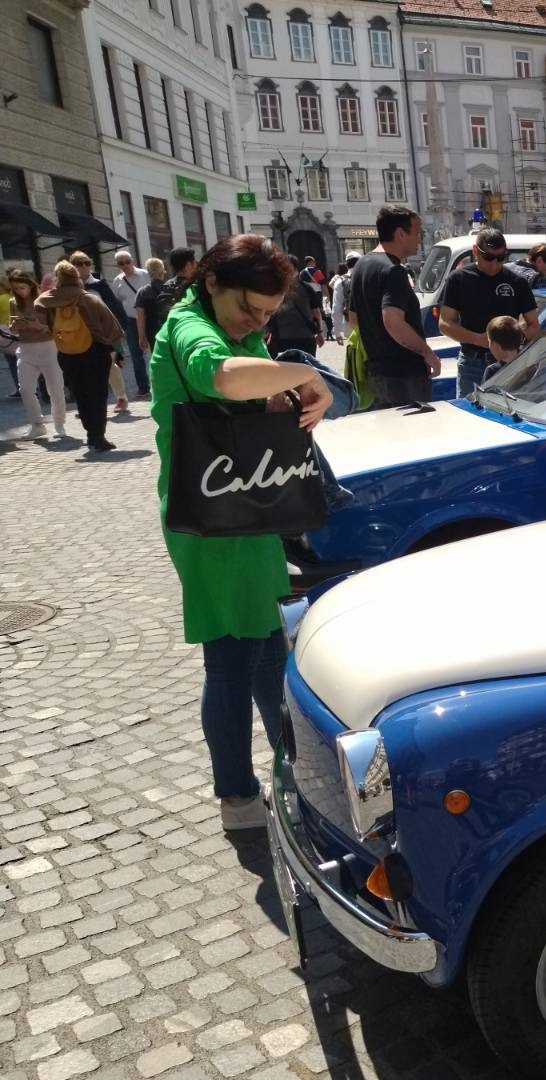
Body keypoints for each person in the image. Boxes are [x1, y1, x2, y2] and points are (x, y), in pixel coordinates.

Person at [148, 234, 334, 831]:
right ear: (212, 284)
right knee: (232, 656)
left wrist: (278, 396)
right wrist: (304, 373)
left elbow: (244, 393)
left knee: (263, 646)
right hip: (211, 522)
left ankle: (292, 769)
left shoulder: (232, 325)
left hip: (241, 509)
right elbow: (220, 377)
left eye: (266, 315)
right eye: (248, 310)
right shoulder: (189, 328)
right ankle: (237, 796)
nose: (256, 323)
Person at [349, 204, 439, 408]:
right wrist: (427, 353)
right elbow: (393, 321)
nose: (419, 239)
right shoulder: (393, 270)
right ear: (400, 234)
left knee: (392, 434)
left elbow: (353, 318)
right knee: (414, 436)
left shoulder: (362, 265)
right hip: (404, 374)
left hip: (378, 371)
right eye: (417, 233)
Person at [438, 228, 540, 398]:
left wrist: (511, 343)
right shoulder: (459, 279)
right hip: (472, 361)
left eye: (500, 258)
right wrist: (478, 339)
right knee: (468, 415)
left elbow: (534, 325)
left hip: (507, 362)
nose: (494, 264)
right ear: (475, 251)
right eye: (488, 257)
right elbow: (445, 324)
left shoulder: (516, 281)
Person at [37, 259, 123, 451]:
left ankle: (89, 432)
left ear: (58, 278)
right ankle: (97, 436)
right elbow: (113, 327)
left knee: (81, 393)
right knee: (98, 393)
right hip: (95, 350)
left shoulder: (48, 299)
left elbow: (38, 309)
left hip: (67, 351)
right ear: (76, 277)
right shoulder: (88, 298)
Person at [6, 269, 69, 439]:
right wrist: (15, 327)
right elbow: (13, 329)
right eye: (15, 288)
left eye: (21, 287)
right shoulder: (13, 302)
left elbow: (57, 328)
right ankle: (37, 424)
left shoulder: (45, 301)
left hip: (48, 347)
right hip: (25, 349)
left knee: (55, 388)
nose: (19, 291)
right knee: (25, 389)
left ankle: (59, 424)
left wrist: (39, 327)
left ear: (30, 284)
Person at [69, 251, 131, 415]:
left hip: (103, 332)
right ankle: (89, 405)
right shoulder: (69, 288)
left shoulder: (99, 285)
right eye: (79, 264)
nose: (84, 267)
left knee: (110, 366)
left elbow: (115, 308)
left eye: (87, 263)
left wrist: (121, 328)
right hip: (80, 334)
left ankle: (121, 397)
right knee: (85, 369)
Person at [109, 250, 152, 399]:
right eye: (121, 263)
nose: (125, 265)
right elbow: (117, 303)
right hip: (131, 321)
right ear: (118, 265)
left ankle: (158, 384)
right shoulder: (117, 281)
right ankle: (143, 388)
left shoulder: (145, 274)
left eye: (127, 261)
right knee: (136, 355)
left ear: (132, 260)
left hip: (149, 318)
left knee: (155, 352)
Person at [139, 248, 199, 353]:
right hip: (195, 337)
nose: (197, 263)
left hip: (173, 338)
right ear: (188, 265)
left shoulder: (167, 286)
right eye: (194, 261)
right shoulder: (197, 286)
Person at [265, 273, 323, 358]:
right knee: (307, 366)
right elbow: (316, 312)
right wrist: (319, 332)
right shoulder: (307, 287)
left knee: (284, 368)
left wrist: (267, 332)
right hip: (305, 336)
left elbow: (268, 311)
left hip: (281, 337)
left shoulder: (274, 287)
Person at [481, 315, 524, 385]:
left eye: (489, 341)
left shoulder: (492, 371)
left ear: (494, 344)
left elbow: (485, 394)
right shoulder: (529, 363)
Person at [329, 257, 356, 343]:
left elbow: (336, 308)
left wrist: (337, 331)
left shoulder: (340, 281)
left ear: (347, 265)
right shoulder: (366, 276)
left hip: (349, 324)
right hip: (369, 325)